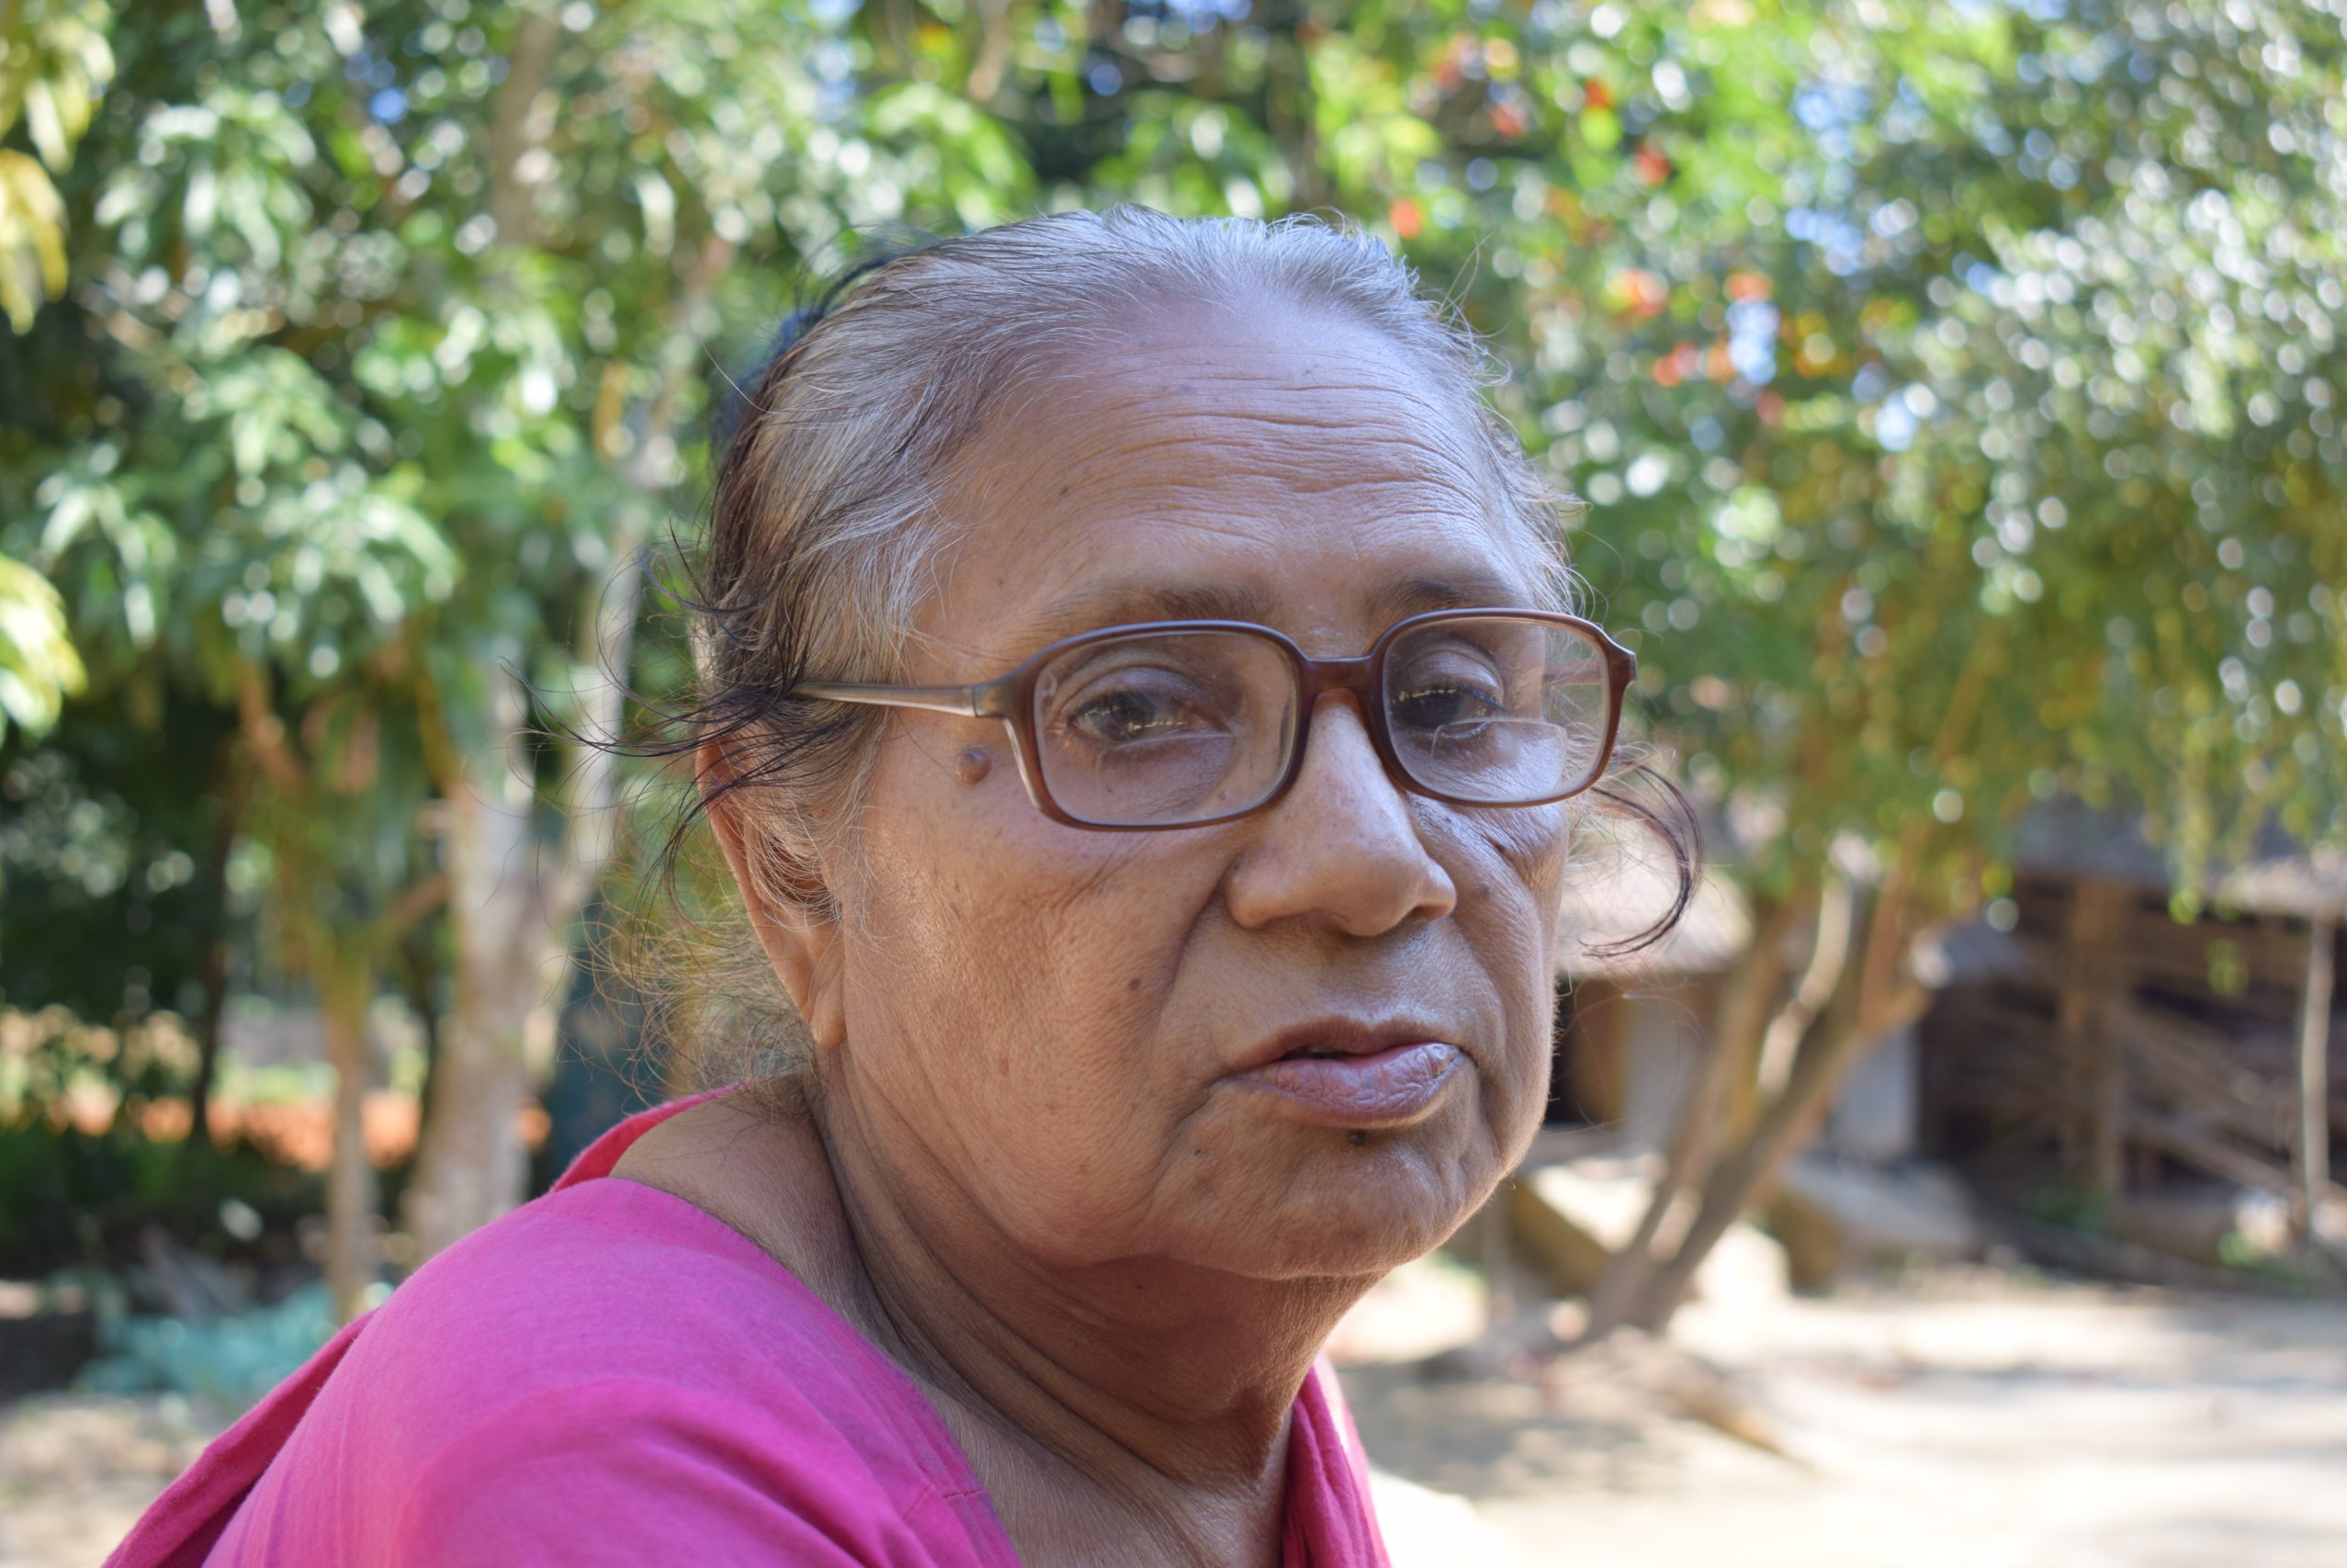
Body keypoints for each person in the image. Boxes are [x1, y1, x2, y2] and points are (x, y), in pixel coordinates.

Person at [110, 207, 1655, 1567]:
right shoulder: (617, 1449)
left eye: (1449, 700)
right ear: (792, 863)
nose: (1373, 861)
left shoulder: (1183, 1360)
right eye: (1132, 711)